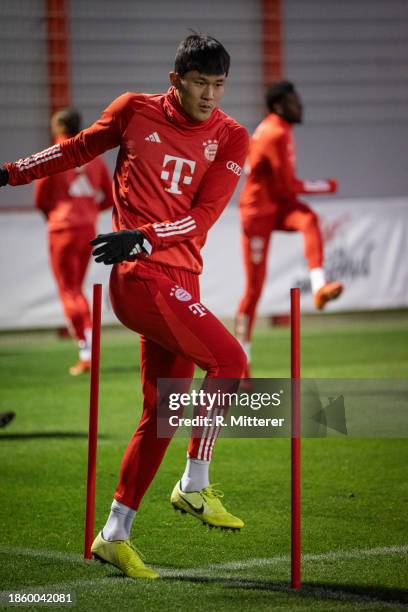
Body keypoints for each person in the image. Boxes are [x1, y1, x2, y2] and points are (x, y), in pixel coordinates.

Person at [0, 34, 249, 579]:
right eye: (200, 83)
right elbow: (74, 149)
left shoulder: (231, 137)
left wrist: (142, 235)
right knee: (231, 364)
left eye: (219, 84)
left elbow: (203, 218)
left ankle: (115, 534)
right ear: (175, 79)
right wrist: (8, 173)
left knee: (162, 414)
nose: (210, 95)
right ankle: (195, 485)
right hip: (140, 279)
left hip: (180, 274)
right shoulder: (133, 111)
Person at [235, 80, 343, 375]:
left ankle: (319, 287)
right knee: (254, 288)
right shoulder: (274, 133)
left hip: (276, 205)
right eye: (295, 100)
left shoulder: (282, 128)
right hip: (257, 212)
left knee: (309, 219)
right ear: (280, 106)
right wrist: (326, 186)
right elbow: (287, 186)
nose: (301, 105)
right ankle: (240, 359)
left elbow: (283, 189)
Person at [34, 109, 114, 375]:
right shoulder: (92, 156)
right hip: (87, 229)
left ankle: (87, 351)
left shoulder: (55, 154)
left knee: (69, 291)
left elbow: (41, 198)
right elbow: (110, 196)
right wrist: (90, 210)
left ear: (58, 127)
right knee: (77, 290)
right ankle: (89, 348)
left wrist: (55, 215)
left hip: (62, 230)